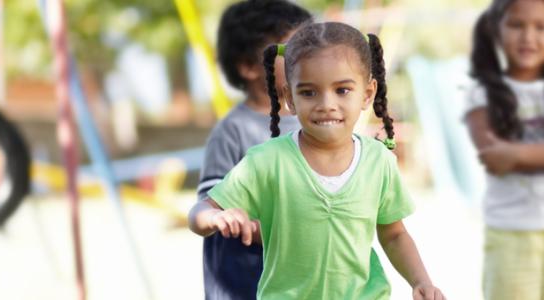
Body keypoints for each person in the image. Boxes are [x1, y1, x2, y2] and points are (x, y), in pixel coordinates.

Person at [191, 21, 444, 299]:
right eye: (309, 92)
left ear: (367, 94)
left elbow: (394, 234)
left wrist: (420, 281)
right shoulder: (267, 161)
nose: (326, 104)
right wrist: (215, 216)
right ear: (289, 97)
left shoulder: (379, 161)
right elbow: (199, 214)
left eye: (342, 90)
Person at [197, 1, 312, 299]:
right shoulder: (233, 131)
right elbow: (205, 208)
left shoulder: (319, 120)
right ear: (248, 66)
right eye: (292, 49)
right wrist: (219, 218)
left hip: (305, 278)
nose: (308, 57)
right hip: (248, 280)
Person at [465, 0, 544, 299]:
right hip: (511, 236)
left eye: (541, 27)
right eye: (516, 25)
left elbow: (508, 156)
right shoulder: (481, 93)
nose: (529, 37)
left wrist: (517, 154)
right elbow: (494, 158)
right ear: (495, 29)